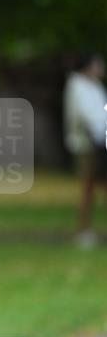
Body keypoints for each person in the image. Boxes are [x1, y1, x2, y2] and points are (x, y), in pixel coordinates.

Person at [63, 53, 107, 248]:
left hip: (101, 139)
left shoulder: (94, 86)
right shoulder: (77, 86)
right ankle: (83, 231)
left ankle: (86, 230)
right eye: (97, 64)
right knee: (89, 188)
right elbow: (85, 115)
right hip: (88, 144)